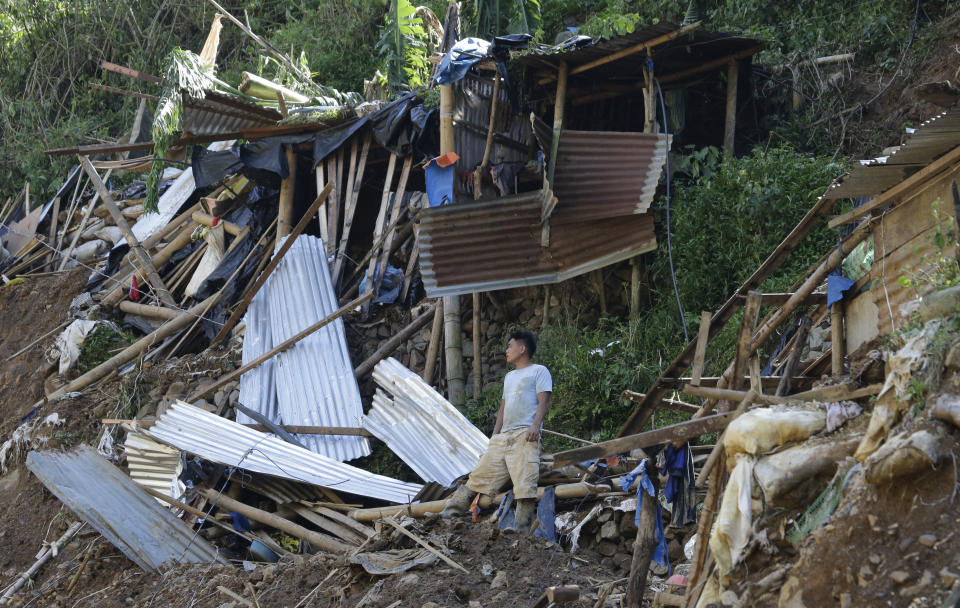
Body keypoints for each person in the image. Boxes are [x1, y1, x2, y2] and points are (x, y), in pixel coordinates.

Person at [440, 330, 552, 531]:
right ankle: (447, 516)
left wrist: (535, 426)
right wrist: (495, 436)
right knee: (478, 477)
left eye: (510, 346)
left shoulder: (539, 371)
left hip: (525, 434)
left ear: (522, 348)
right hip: (503, 437)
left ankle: (520, 531)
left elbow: (544, 400)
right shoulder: (509, 377)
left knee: (525, 483)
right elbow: (503, 408)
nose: (507, 350)